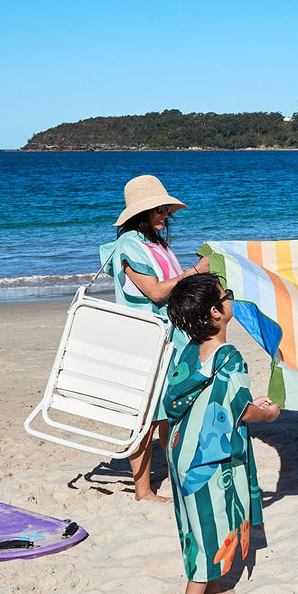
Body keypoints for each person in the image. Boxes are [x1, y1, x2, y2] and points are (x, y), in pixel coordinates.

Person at [164, 273, 279, 594]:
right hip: (207, 455)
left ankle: (211, 587)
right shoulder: (229, 356)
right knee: (211, 523)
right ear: (216, 312)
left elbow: (210, 398)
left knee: (195, 520)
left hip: (182, 447)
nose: (230, 299)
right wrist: (268, 413)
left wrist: (247, 402)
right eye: (225, 295)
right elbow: (242, 411)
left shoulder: (188, 351)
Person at [100, 175, 210, 502]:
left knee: (168, 409)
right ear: (140, 212)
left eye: (166, 209)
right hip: (147, 339)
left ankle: (175, 478)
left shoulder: (154, 243)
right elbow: (155, 292)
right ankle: (143, 491)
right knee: (147, 416)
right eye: (159, 209)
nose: (165, 214)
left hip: (170, 336)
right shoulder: (129, 245)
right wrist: (195, 271)